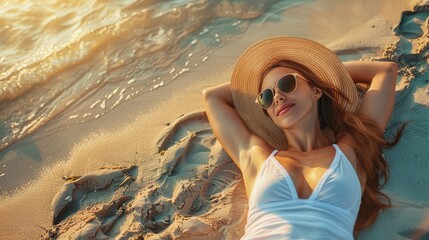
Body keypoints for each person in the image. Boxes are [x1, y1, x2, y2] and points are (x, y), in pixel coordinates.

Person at [202, 37, 403, 239]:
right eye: (267, 97)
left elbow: (385, 71)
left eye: (287, 83)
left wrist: (320, 75)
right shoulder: (258, 158)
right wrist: (302, 79)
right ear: (268, 113)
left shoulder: (352, 150)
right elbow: (212, 97)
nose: (278, 96)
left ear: (316, 91)